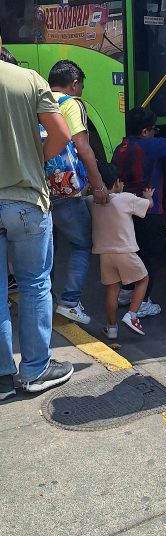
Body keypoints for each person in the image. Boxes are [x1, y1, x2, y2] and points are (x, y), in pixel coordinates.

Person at [0, 35, 74, 400]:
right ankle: (34, 370)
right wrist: (35, 158)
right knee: (33, 284)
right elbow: (61, 135)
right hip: (26, 200)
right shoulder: (28, 79)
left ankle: (1, 378)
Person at [113, 107, 166, 316]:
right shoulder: (149, 146)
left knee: (133, 252)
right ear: (144, 132)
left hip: (127, 211)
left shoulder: (120, 148)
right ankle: (142, 302)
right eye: (153, 129)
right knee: (149, 258)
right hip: (151, 211)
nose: (154, 133)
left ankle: (126, 291)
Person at [47, 60, 109, 325]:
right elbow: (82, 148)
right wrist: (98, 186)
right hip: (65, 190)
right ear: (74, 84)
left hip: (37, 187)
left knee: (48, 247)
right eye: (81, 87)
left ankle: (45, 300)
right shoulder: (71, 104)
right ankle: (70, 302)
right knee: (81, 243)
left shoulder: (38, 100)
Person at [86, 161, 154, 339]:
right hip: (125, 252)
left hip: (104, 255)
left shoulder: (91, 201)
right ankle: (132, 316)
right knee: (143, 279)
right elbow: (148, 207)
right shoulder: (125, 198)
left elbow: (87, 197)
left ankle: (111, 327)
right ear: (116, 182)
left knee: (112, 290)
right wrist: (148, 196)